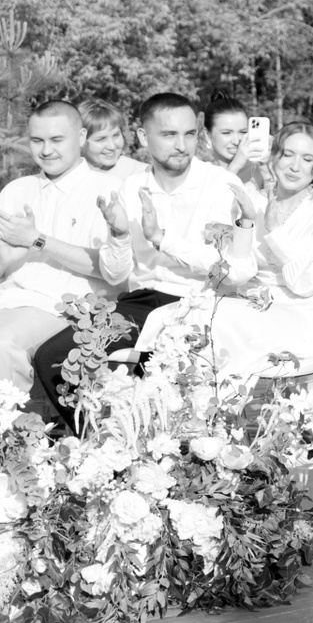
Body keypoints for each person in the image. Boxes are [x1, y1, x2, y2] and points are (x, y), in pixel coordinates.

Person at [31, 93, 255, 409]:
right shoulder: (131, 187)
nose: (182, 145)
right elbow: (115, 274)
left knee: (166, 384)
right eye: (169, 134)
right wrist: (120, 235)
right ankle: (104, 438)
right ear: (143, 136)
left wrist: (162, 239)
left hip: (201, 304)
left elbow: (230, 272)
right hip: (140, 304)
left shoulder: (222, 185)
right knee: (53, 357)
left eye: (189, 134)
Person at [141, 123, 313, 378]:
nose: (295, 166)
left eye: (307, 159)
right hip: (256, 310)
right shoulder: (254, 201)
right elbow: (235, 272)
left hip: (307, 319)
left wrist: (276, 232)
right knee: (177, 315)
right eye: (287, 154)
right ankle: (178, 396)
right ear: (274, 157)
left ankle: (207, 398)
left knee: (210, 321)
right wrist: (162, 238)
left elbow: (308, 282)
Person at [0, 100, 129, 424]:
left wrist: (37, 241)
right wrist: (10, 256)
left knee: (2, 342)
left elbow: (113, 272)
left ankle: (9, 437)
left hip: (64, 309)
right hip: (9, 298)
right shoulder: (18, 190)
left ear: (81, 137)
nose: (46, 150)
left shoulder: (108, 191)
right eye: (37, 140)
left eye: (57, 140)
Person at [199, 90, 269, 195]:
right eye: (227, 133)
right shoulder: (199, 175)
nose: (236, 141)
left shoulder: (258, 172)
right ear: (207, 135)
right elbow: (209, 201)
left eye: (243, 132)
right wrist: (235, 165)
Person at [78, 98, 142, 182]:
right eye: (101, 139)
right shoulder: (68, 177)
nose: (112, 146)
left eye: (116, 135)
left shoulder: (141, 174)